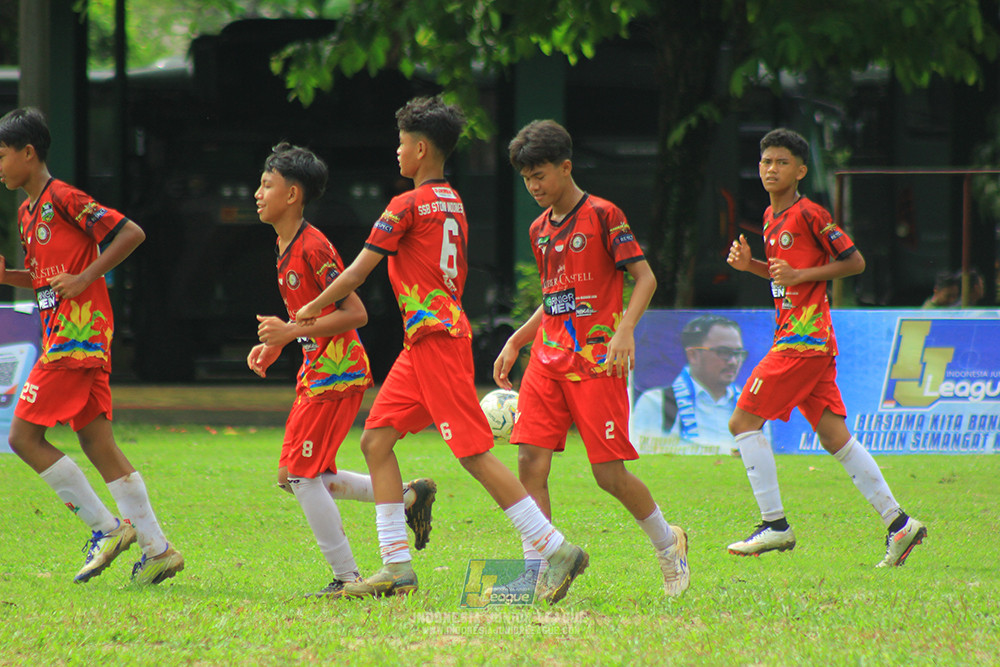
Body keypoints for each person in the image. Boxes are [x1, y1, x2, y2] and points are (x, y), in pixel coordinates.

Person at [296, 97, 588, 604]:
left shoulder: (404, 205)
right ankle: (396, 569)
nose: (397, 152)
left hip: (437, 341)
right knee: (376, 441)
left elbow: (358, 273)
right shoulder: (452, 200)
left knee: (473, 454)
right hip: (424, 341)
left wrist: (307, 312)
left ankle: (555, 547)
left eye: (402, 143)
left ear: (421, 147)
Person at [493, 119, 690, 597]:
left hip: (598, 361)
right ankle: (535, 570)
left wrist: (625, 330)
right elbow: (555, 298)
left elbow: (644, 278)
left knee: (609, 475)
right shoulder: (540, 229)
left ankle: (670, 546)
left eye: (540, 175)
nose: (534, 186)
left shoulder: (604, 215)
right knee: (529, 461)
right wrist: (519, 339)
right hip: (547, 358)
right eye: (526, 178)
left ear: (566, 167)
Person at [726, 127, 926, 567]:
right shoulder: (769, 217)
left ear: (800, 170)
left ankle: (774, 525)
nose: (771, 168)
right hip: (806, 342)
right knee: (836, 437)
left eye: (781, 162)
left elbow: (854, 262)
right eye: (765, 162)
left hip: (803, 340)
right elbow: (785, 274)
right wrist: (752, 267)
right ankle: (900, 525)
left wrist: (800, 277)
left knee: (742, 421)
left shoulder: (809, 213)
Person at [0, 107, 183, 584]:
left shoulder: (64, 196)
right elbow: (47, 284)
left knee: (21, 437)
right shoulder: (26, 211)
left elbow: (131, 233)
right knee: (97, 443)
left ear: (28, 153)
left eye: (1, 155)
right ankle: (159, 550)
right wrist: (8, 278)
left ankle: (106, 529)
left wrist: (86, 277)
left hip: (77, 337)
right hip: (70, 335)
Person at [246, 142, 436, 599]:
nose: (256, 193)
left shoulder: (313, 245)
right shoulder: (283, 244)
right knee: (294, 477)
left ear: (293, 195)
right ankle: (407, 496)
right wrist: (282, 344)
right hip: (318, 371)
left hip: (337, 375)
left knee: (300, 476)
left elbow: (356, 313)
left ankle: (347, 576)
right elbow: (310, 318)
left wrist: (289, 333)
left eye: (266, 185)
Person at [631, 314, 752, 456]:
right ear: (693, 355)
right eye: (723, 352)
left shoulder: (752, 408)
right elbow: (643, 456)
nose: (733, 362)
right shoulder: (656, 402)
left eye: (738, 353)